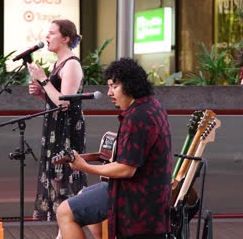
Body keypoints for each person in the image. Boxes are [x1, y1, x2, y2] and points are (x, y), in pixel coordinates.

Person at [56, 58, 172, 239]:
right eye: (109, 86)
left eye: (114, 86)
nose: (109, 93)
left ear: (131, 85)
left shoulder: (137, 117)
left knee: (65, 211)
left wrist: (84, 167)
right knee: (82, 195)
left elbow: (126, 169)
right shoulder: (152, 106)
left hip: (137, 199)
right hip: (148, 192)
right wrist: (85, 158)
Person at [27, 19, 87, 222]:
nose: (47, 37)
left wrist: (43, 80)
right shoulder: (59, 63)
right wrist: (41, 94)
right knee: (55, 179)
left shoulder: (71, 64)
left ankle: (69, 228)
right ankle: (63, 232)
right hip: (55, 128)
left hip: (67, 132)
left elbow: (64, 104)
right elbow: (55, 100)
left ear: (66, 38)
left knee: (66, 181)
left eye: (52, 33)